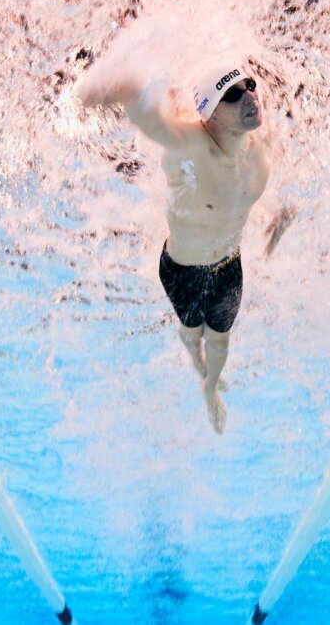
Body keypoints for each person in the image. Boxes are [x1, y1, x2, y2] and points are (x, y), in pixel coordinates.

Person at [81, 64, 284, 434]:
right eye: (233, 95)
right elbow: (153, 123)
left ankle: (211, 387)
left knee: (221, 339)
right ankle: (197, 365)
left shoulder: (261, 153)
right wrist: (120, 86)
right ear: (209, 115)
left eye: (249, 86)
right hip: (183, 271)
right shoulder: (193, 145)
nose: (250, 96)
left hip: (229, 266)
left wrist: (279, 220)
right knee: (193, 332)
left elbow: (248, 198)